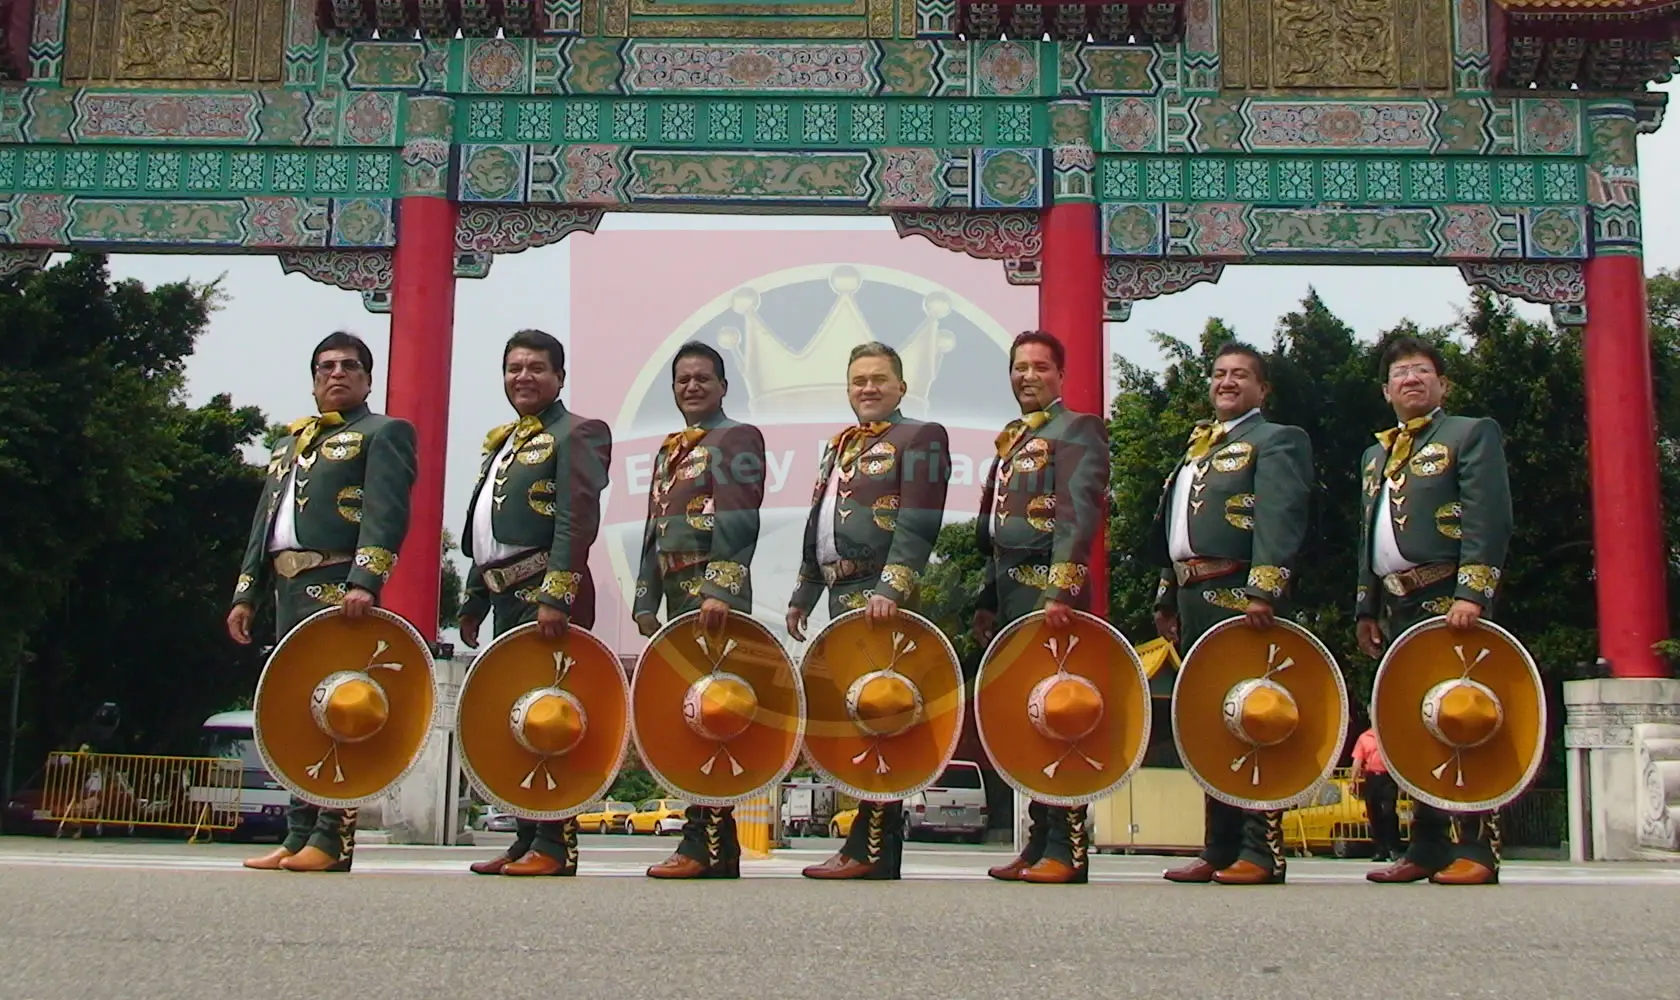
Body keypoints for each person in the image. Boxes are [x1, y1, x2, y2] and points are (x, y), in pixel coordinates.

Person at [229, 332, 418, 874]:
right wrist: (247, 593)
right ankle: (296, 833)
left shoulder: (383, 433)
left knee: (340, 707)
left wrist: (367, 580)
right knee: (294, 709)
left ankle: (333, 837)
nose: (337, 374)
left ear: (367, 378)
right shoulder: (289, 442)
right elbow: (265, 524)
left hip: (337, 584)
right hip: (286, 589)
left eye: (349, 366)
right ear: (313, 379)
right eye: (326, 367)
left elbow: (387, 512)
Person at [787, 341, 951, 880]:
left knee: (884, 712)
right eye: (859, 380)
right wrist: (803, 593)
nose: (869, 388)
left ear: (901, 387)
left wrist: (894, 587)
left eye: (880, 379)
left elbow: (920, 520)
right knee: (854, 718)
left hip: (883, 601)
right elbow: (821, 525)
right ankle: (862, 842)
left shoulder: (920, 437)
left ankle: (873, 847)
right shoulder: (839, 446)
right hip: (839, 596)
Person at [1152, 342, 1313, 886]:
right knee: (1208, 719)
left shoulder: (1275, 439)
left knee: (1256, 714)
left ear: (1261, 389)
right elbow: (1175, 530)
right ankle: (1218, 845)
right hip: (1193, 592)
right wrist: (1165, 596)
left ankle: (1261, 848)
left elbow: (1280, 515)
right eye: (1219, 373)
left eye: (1240, 375)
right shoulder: (1198, 445)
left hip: (1242, 594)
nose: (1227, 382)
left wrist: (1264, 589)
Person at [1357, 335, 1511, 886]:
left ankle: (1476, 847)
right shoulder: (1377, 453)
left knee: (1465, 714)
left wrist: (1473, 591)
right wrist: (1365, 607)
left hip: (1450, 594)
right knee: (1410, 722)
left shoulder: (1469, 433)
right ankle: (1424, 845)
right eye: (1401, 373)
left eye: (1423, 370)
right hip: (1396, 602)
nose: (1412, 380)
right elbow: (1368, 536)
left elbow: (1487, 517)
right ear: (1386, 390)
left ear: (1442, 384)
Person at [458, 329, 613, 878]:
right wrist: (473, 599)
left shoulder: (580, 432)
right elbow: (487, 533)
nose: (523, 377)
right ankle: (525, 837)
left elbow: (577, 518)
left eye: (536, 368)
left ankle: (557, 843)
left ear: (560, 377)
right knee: (518, 719)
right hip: (505, 598)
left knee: (555, 715)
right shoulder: (503, 441)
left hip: (548, 597)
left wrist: (556, 594)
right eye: (514, 368)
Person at [971, 331, 1111, 885]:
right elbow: (995, 535)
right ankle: (1038, 839)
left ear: (1060, 375)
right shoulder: (1010, 441)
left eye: (1039, 367)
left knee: (1064, 711)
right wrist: (987, 601)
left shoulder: (1078, 429)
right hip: (1011, 594)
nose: (1027, 376)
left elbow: (1078, 515)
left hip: (1052, 596)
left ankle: (1069, 847)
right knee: (1029, 716)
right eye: (1019, 368)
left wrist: (1060, 589)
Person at [633, 342, 768, 879]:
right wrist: (646, 599)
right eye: (682, 379)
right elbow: (653, 527)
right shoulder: (670, 449)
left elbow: (739, 518)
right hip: (674, 593)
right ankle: (720, 846)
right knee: (688, 712)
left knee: (715, 711)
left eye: (702, 379)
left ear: (722, 387)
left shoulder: (737, 438)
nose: (692, 387)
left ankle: (702, 840)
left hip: (712, 596)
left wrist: (721, 588)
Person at [1350, 719, 1402, 863]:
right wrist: (1352, 780)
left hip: (1388, 777)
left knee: (1389, 812)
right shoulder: (1364, 738)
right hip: (1372, 777)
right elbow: (1358, 760)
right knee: (1374, 813)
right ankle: (1380, 849)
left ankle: (1394, 848)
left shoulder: (1389, 736)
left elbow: (1398, 757)